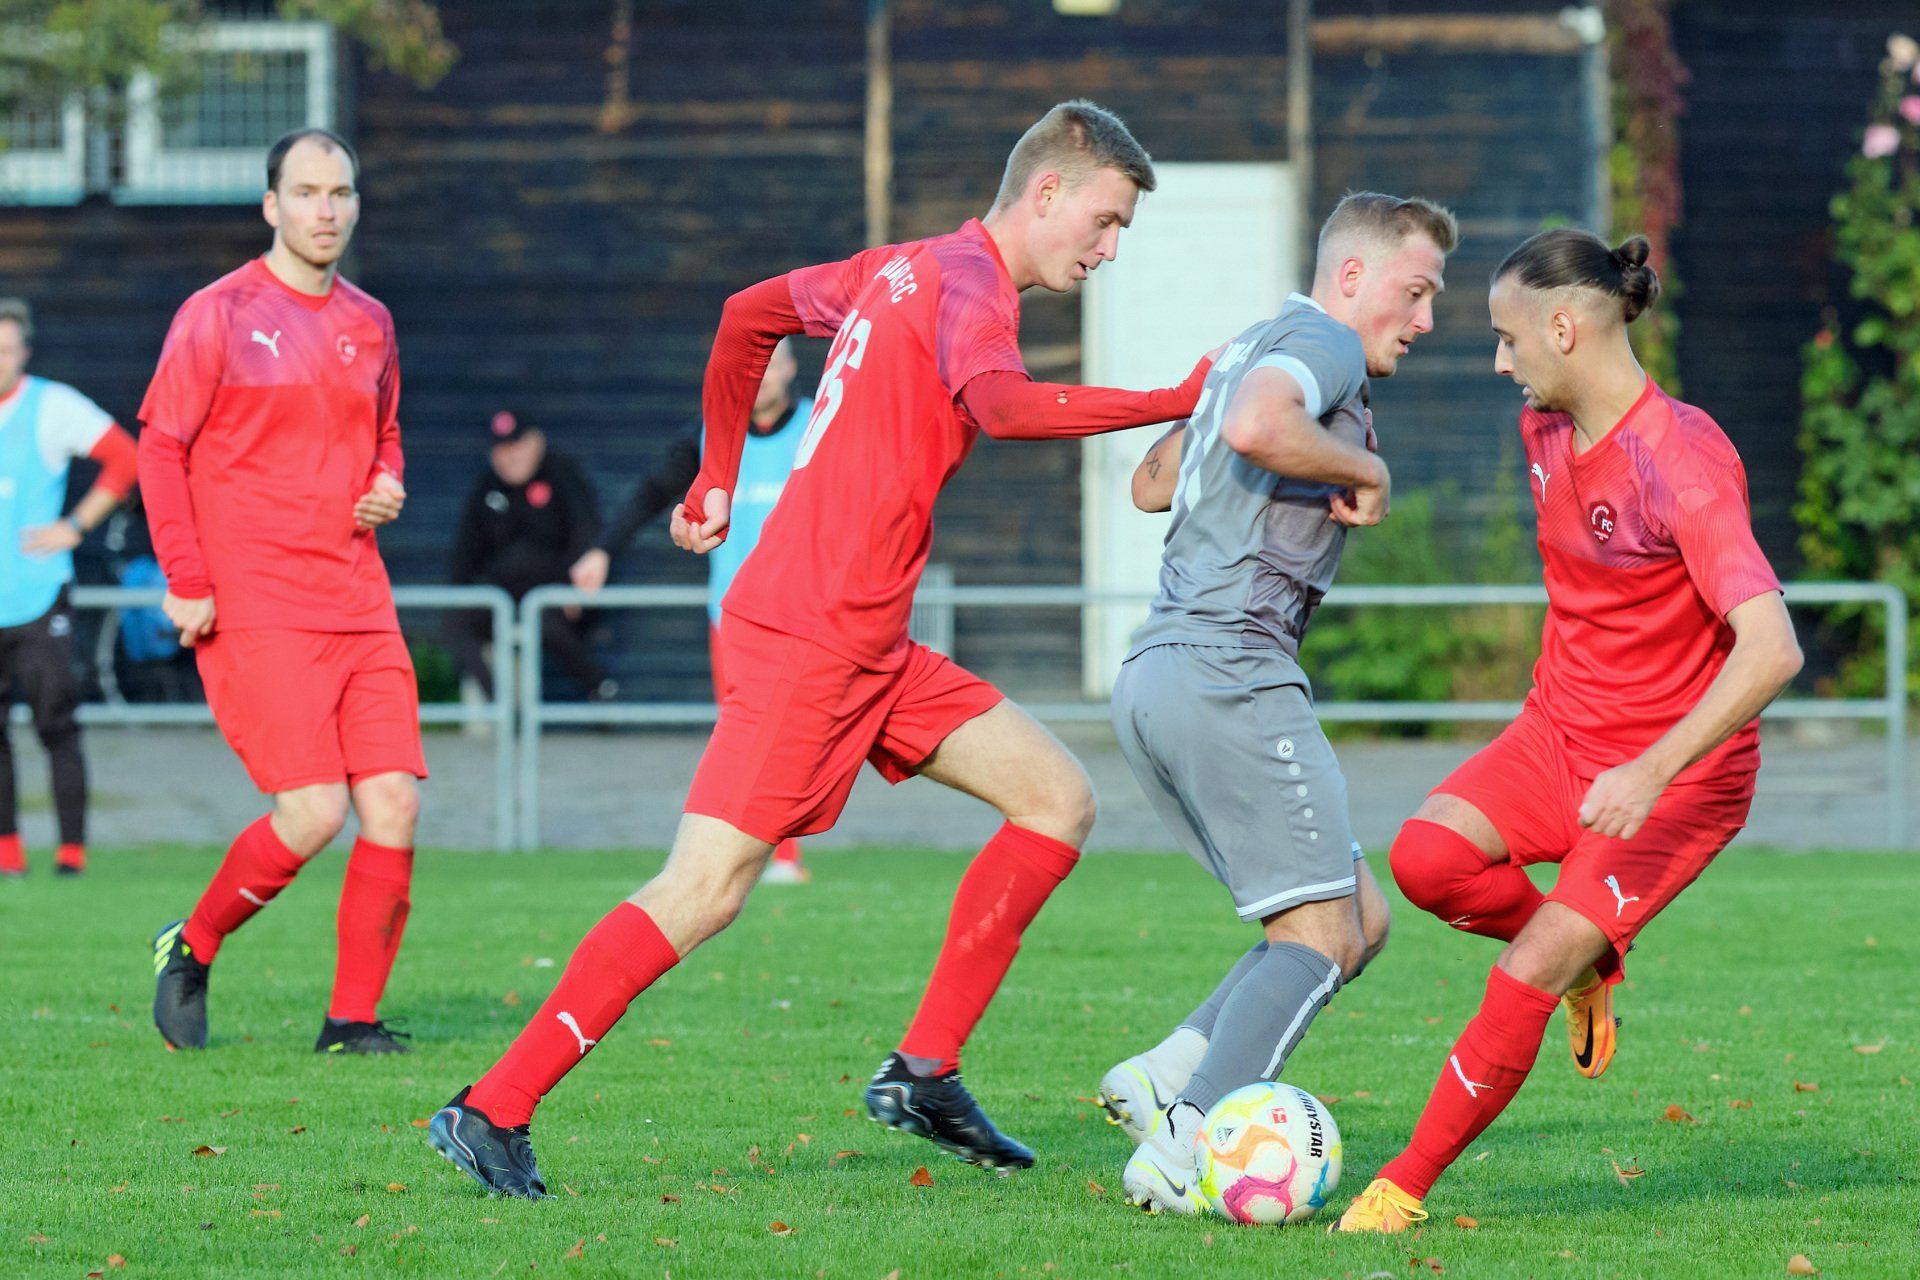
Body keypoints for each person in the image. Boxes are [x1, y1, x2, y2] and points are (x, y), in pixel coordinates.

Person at [430, 99, 1219, 1199]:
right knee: (704, 887)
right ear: (1048, 192)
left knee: (1056, 798)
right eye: (1107, 219)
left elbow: (746, 316)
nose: (1110, 247)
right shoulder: (970, 286)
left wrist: (716, 473)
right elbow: (1001, 405)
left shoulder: (899, 266)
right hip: (812, 635)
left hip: (870, 637)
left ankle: (926, 1070)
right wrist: (1177, 398)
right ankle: (493, 1106)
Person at [1334, 229, 1802, 1233]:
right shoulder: (1542, 429)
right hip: (1559, 732)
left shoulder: (1682, 460)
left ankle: (1402, 1186)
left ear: (1562, 327)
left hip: (1676, 777)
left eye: (1507, 340)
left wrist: (1651, 769)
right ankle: (1591, 961)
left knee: (1529, 964)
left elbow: (1772, 649)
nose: (1500, 363)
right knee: (1424, 861)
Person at [1094, 193, 1458, 1213]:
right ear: (1352, 275)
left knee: (1359, 916)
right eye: (1416, 291)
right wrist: (1366, 464)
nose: (1426, 318)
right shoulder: (1324, 344)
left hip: (1158, 670)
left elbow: (1151, 482)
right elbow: (1259, 426)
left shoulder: (1248, 348)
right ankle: (1186, 1144)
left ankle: (1169, 1073)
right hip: (1231, 669)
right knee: (1320, 937)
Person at [140, 128, 426, 1056]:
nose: (324, 210)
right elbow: (161, 449)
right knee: (313, 812)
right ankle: (193, 944)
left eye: (339, 193)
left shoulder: (372, 320)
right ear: (272, 206)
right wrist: (186, 579)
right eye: (305, 193)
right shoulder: (216, 314)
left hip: (359, 597)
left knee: (394, 803)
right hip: (258, 598)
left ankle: (351, 1022)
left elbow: (386, 436)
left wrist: (387, 481)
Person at [570, 338, 813, 880]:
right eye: (753, 368)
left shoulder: (819, 427)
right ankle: (747, 854)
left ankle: (785, 854)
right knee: (741, 738)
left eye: (772, 366)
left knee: (792, 733)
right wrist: (602, 550)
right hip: (732, 618)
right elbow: (651, 493)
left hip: (805, 613)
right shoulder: (711, 434)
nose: (762, 377)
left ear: (791, 369)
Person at [0, 298, 138, 878]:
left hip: (38, 596)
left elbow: (125, 458)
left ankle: (71, 853)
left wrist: (75, 526)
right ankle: (8, 854)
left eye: (5, 350)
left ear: (24, 353)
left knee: (56, 722)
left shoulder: (52, 406)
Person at [447, 408, 614, 702]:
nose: (508, 457)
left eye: (516, 446)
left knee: (545, 621)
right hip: (501, 598)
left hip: (554, 596)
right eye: (501, 449)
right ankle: (501, 704)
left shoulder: (563, 476)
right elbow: (465, 553)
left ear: (536, 443)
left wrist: (576, 587)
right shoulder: (487, 487)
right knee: (455, 624)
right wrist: (461, 594)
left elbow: (586, 533)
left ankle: (600, 689)